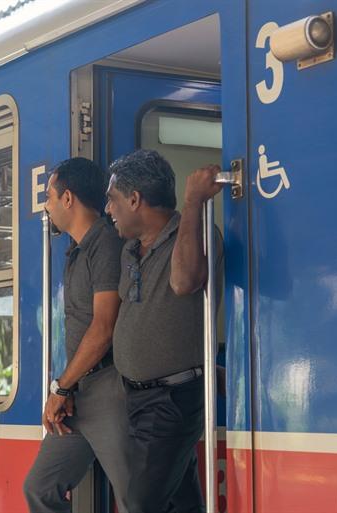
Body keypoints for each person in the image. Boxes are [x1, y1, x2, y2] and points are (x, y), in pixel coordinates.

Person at [105, 149, 223, 513]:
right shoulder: (129, 251)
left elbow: (185, 280)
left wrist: (193, 202)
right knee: (179, 502)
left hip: (172, 397)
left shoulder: (197, 234)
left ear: (135, 199)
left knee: (141, 503)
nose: (109, 210)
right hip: (138, 399)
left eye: (112, 200)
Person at [24, 157, 132, 512]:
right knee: (40, 488)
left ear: (68, 198)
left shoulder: (106, 244)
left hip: (108, 390)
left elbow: (104, 328)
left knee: (137, 499)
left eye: (50, 198)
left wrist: (61, 386)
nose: (47, 207)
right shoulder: (77, 250)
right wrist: (69, 386)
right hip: (79, 395)